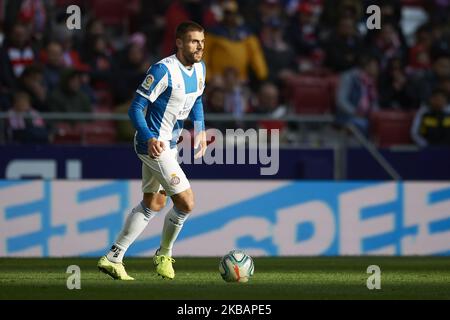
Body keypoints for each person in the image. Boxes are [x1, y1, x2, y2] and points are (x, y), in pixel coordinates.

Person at [97, 21, 207, 280]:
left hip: (170, 145)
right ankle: (164, 254)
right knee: (186, 202)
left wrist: (200, 129)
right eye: (193, 41)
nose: (199, 46)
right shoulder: (162, 70)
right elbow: (135, 108)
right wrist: (148, 138)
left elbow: (198, 99)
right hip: (154, 147)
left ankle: (114, 256)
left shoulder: (200, 69)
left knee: (153, 203)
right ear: (179, 42)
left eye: (202, 41)